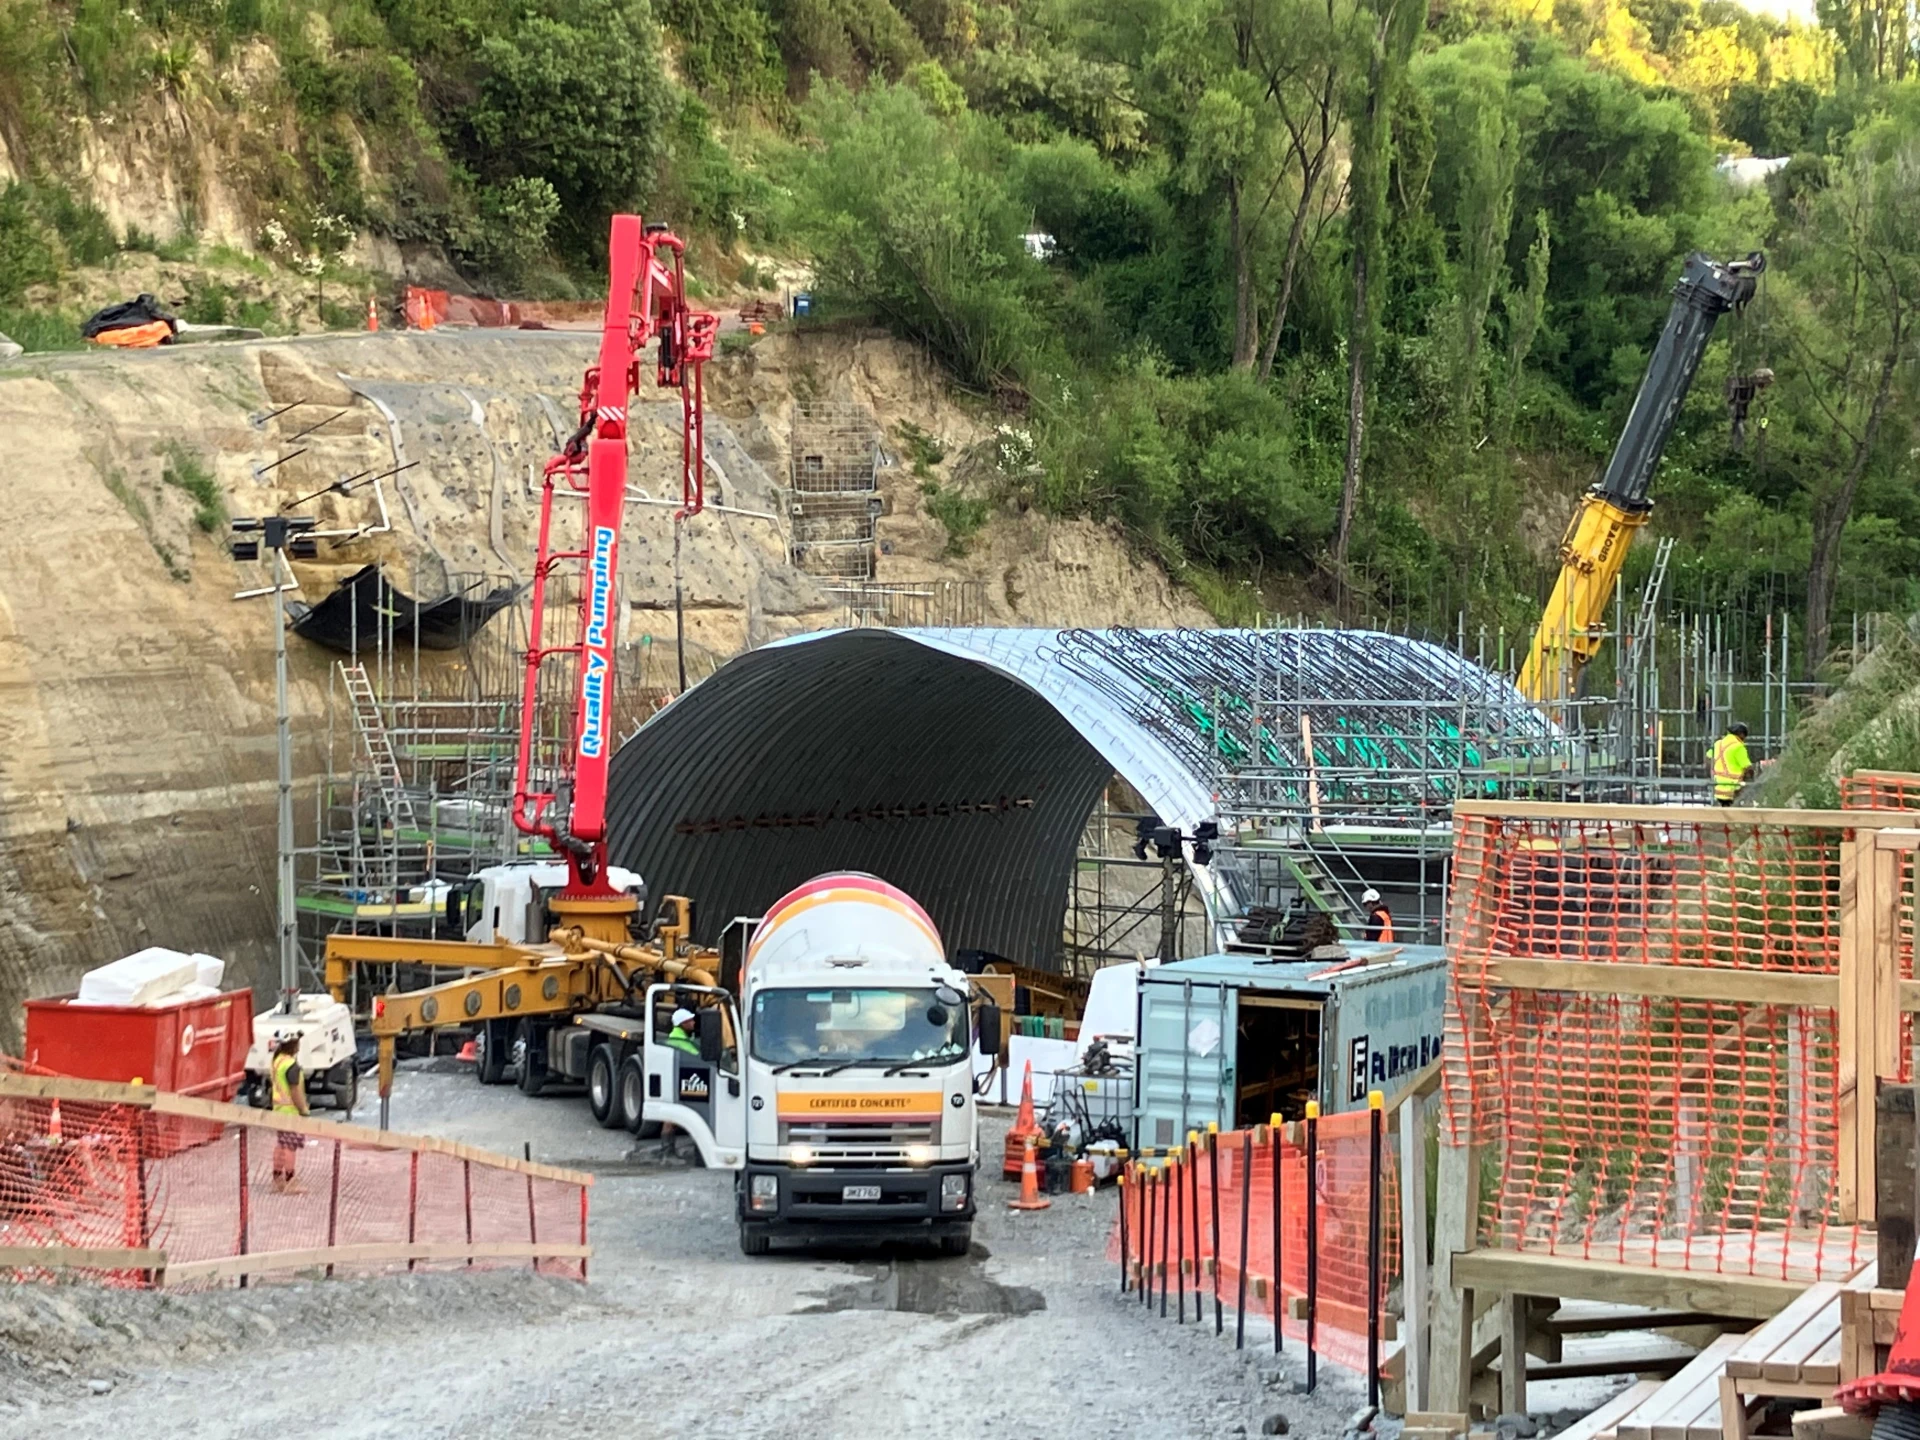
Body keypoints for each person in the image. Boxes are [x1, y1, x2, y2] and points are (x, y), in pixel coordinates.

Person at [268, 1033, 309, 1194]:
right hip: (290, 1112)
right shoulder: (292, 1065)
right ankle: (290, 1182)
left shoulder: (277, 1061)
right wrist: (303, 1110)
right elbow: (295, 1091)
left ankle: (277, 1179)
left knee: (281, 1145)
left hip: (278, 1109)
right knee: (290, 1147)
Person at [1711, 721, 1753, 807]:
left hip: (1718, 790)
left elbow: (1708, 758)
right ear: (1741, 734)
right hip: (1734, 789)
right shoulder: (1738, 746)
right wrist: (1751, 779)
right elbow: (1747, 767)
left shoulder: (1718, 744)